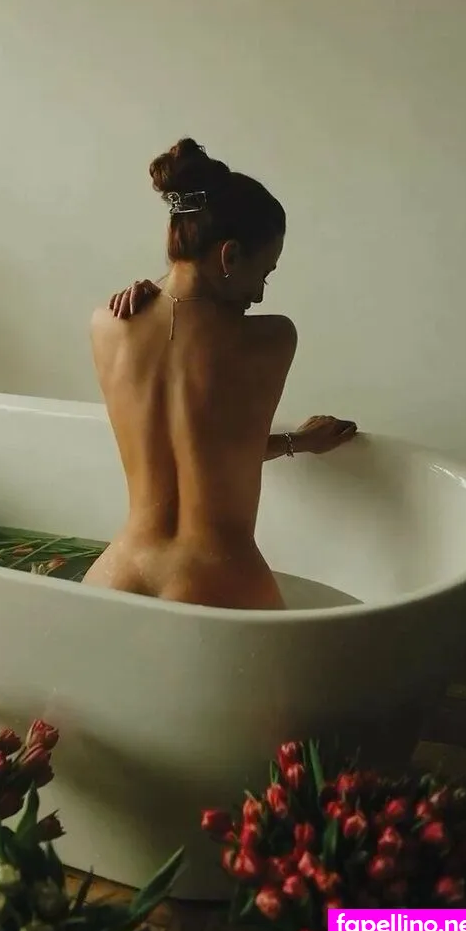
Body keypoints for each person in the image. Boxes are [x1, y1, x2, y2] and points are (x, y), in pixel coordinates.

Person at [85, 138, 357, 610]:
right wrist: (300, 442)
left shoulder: (107, 323)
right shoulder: (272, 338)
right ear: (229, 257)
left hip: (116, 578)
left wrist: (158, 288)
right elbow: (226, 450)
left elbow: (196, 444)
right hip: (219, 581)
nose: (261, 294)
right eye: (264, 272)